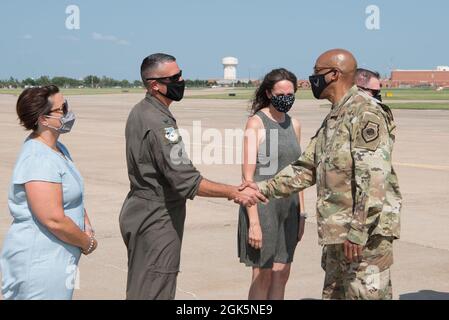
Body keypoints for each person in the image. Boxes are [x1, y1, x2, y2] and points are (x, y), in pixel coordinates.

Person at [239, 49, 402, 300]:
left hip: (363, 239)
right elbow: (306, 168)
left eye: (317, 72)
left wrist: (358, 232)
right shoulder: (335, 116)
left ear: (334, 74)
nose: (312, 78)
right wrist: (260, 189)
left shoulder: (365, 112)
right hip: (339, 235)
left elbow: (373, 180)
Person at [119, 53, 266, 300]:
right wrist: (233, 191)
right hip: (157, 217)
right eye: (174, 77)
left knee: (143, 284)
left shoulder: (142, 111)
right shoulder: (159, 123)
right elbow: (186, 180)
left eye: (180, 74)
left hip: (142, 210)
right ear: (154, 84)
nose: (181, 80)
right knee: (155, 287)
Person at [0, 85, 97, 300]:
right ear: (43, 119)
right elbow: (53, 219)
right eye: (63, 109)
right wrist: (85, 242)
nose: (68, 113)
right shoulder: (38, 159)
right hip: (39, 263)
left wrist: (86, 224)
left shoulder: (58, 149)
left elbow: (72, 196)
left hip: (58, 258)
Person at [238, 68, 307, 300]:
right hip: (262, 206)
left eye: (291, 92)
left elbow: (299, 172)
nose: (286, 97)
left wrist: (302, 215)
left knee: (282, 272)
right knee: (263, 273)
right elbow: (247, 179)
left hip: (290, 208)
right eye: (281, 93)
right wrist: (254, 223)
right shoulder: (256, 123)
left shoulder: (294, 124)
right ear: (269, 93)